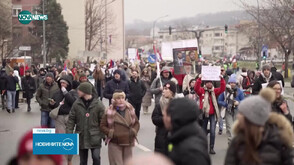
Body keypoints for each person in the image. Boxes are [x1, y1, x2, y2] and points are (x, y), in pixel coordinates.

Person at [224, 88, 294, 165]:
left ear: (252, 118)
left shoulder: (279, 141)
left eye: (242, 113)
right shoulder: (238, 141)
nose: (238, 116)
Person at [163, 98, 211, 165]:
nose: (163, 118)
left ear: (172, 117)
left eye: (164, 115)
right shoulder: (177, 137)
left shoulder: (192, 153)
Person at [66, 82, 105, 165]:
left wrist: (104, 135)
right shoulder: (77, 104)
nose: (78, 92)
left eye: (79, 90)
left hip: (95, 136)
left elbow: (103, 120)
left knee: (96, 157)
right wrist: (69, 133)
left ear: (85, 91)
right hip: (81, 136)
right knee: (83, 161)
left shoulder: (98, 104)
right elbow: (71, 119)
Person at [100, 90, 140, 165]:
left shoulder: (130, 109)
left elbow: (136, 123)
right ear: (114, 99)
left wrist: (133, 131)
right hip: (115, 142)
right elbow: (102, 126)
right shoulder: (109, 111)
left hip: (128, 141)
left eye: (122, 98)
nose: (121, 100)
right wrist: (111, 133)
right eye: (118, 98)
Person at [194, 74, 226, 154]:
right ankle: (203, 147)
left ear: (212, 83)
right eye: (207, 82)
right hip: (204, 114)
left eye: (210, 82)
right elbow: (196, 88)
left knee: (212, 131)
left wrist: (221, 79)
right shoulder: (201, 90)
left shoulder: (214, 91)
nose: (209, 84)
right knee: (203, 131)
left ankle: (211, 147)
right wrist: (199, 79)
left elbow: (222, 89)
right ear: (205, 83)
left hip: (212, 114)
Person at [218, 74, 244, 144]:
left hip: (237, 111)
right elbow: (219, 100)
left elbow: (244, 101)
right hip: (228, 110)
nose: (232, 84)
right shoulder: (225, 91)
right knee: (229, 127)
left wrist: (238, 102)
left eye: (233, 83)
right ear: (228, 83)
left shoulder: (239, 91)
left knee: (236, 127)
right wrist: (226, 104)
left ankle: (236, 142)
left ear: (236, 83)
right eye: (230, 83)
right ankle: (231, 143)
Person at [152, 81, 176, 155]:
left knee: (171, 154)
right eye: (164, 88)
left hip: (173, 136)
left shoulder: (177, 104)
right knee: (161, 157)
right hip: (161, 135)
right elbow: (154, 118)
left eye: (166, 89)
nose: (164, 90)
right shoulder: (159, 104)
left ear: (171, 92)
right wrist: (165, 119)